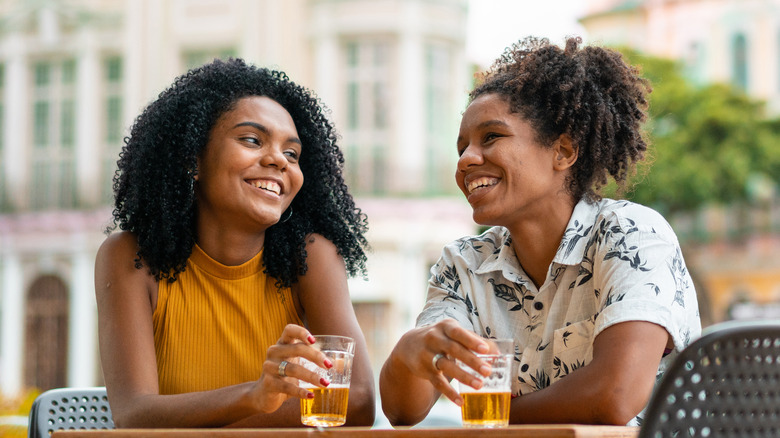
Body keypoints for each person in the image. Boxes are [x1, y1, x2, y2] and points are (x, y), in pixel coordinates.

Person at [379, 36, 701, 426]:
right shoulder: (463, 263)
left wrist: (496, 421)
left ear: (563, 152)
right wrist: (410, 353)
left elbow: (616, 397)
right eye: (461, 147)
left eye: (491, 137)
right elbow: (403, 410)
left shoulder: (630, 234)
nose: (466, 160)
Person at [95, 58, 375, 428]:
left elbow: (357, 401)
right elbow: (135, 414)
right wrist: (256, 397)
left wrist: (238, 412)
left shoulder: (310, 256)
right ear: (193, 158)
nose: (278, 159)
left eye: (292, 153)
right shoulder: (131, 257)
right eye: (251, 140)